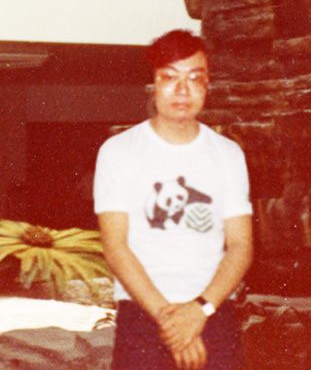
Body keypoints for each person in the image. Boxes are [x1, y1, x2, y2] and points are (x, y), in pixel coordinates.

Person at [94, 30, 253, 370]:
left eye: (195, 78)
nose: (183, 90)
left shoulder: (228, 154)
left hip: (212, 310)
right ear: (153, 84)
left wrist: (199, 310)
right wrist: (171, 321)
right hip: (143, 312)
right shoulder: (119, 151)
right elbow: (115, 246)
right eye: (170, 77)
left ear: (207, 84)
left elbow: (241, 245)